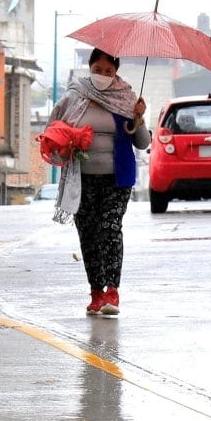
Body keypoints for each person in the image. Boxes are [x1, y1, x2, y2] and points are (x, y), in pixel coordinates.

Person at [48, 48, 149, 316]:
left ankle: (112, 291)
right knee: (89, 234)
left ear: (115, 72)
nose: (102, 75)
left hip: (117, 179)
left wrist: (138, 118)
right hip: (81, 179)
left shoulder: (126, 99)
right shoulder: (75, 96)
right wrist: (68, 137)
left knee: (109, 227)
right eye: (97, 70)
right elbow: (54, 129)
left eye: (108, 71)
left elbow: (142, 143)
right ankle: (96, 292)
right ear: (89, 67)